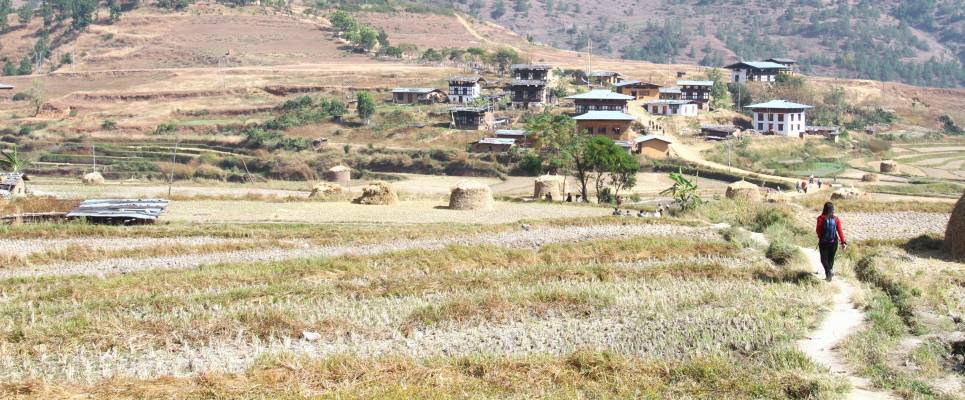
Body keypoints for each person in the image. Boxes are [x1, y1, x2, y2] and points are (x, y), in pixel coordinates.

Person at [816, 202, 848, 282]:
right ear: (832, 209)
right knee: (831, 259)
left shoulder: (820, 218)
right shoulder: (836, 219)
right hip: (834, 242)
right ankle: (829, 274)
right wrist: (843, 242)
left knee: (824, 259)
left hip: (823, 242)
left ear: (824, 209)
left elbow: (818, 230)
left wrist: (821, 237)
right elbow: (840, 231)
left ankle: (828, 273)